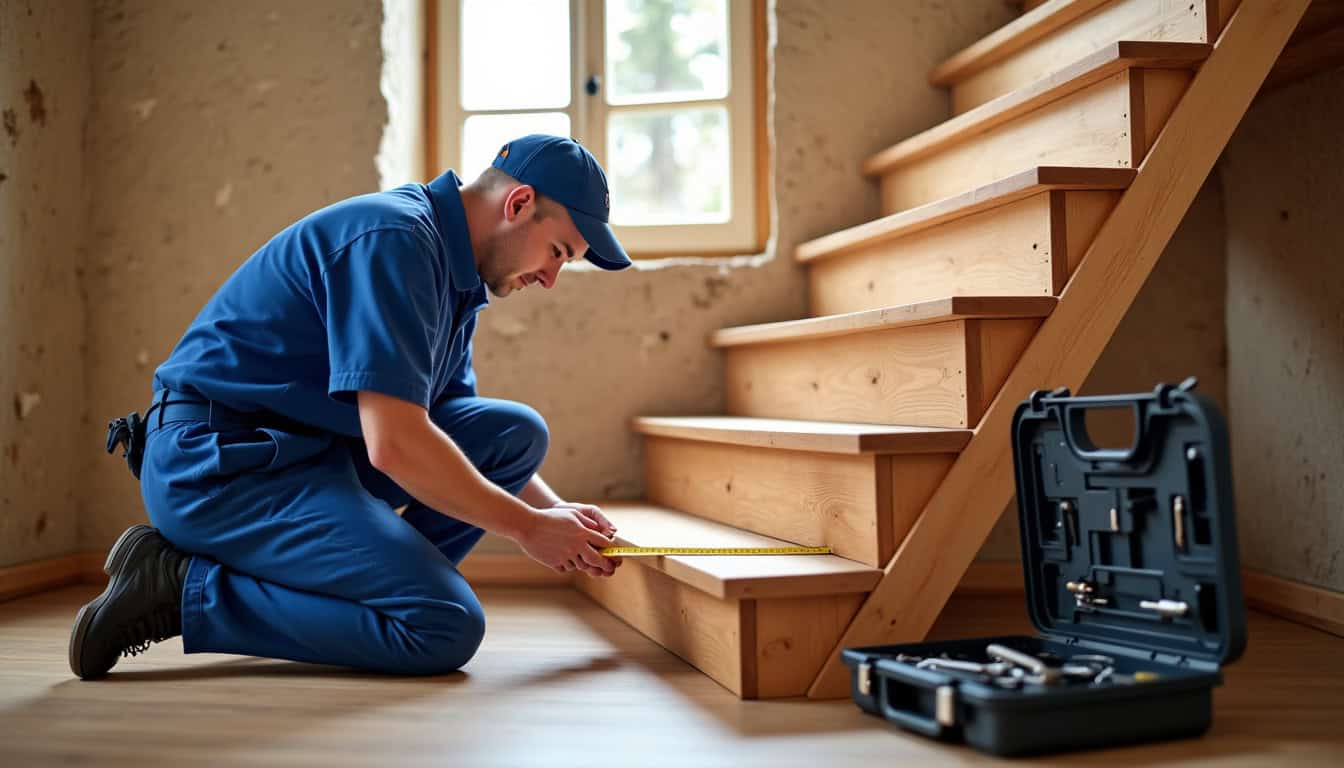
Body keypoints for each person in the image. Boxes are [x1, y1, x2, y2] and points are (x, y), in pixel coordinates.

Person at [69, 134, 630, 679]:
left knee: (513, 435)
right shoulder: (398, 240)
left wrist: (560, 518)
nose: (552, 278)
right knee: (444, 625)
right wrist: (528, 528)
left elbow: (457, 436)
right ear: (519, 203)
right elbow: (396, 444)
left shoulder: (457, 278)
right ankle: (180, 588)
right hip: (219, 467)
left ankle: (373, 590)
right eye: (559, 252)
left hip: (305, 458)